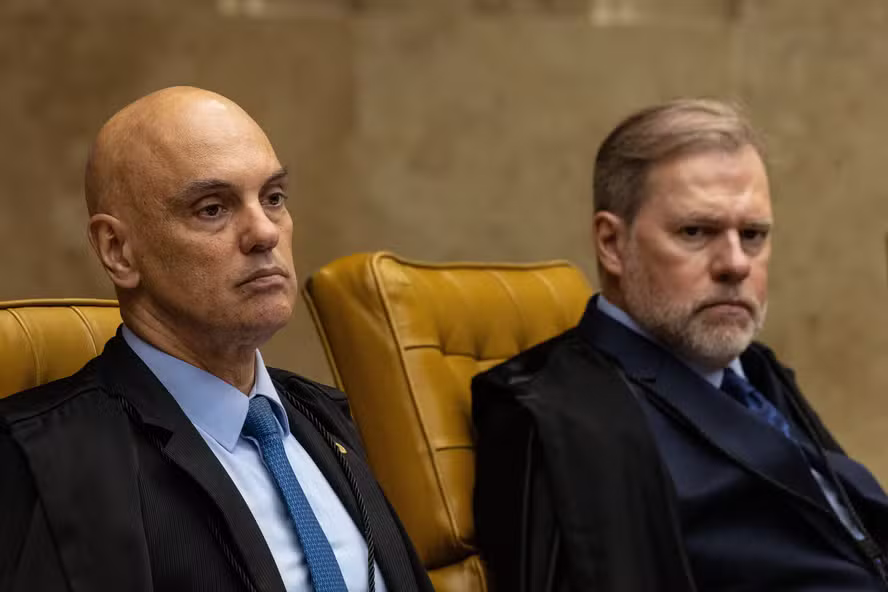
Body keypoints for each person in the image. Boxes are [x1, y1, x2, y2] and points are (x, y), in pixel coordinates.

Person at [0, 86, 433, 592]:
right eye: (212, 208)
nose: (265, 233)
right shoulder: (43, 461)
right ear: (118, 250)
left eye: (273, 198)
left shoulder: (325, 415)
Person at [472, 98, 888, 592]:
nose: (736, 264)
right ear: (611, 243)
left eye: (753, 235)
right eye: (696, 231)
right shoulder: (558, 412)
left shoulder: (755, 372)